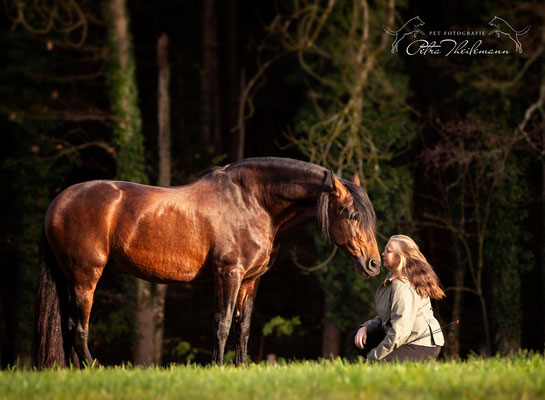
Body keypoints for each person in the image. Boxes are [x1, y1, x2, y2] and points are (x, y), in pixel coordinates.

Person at [352, 235, 445, 362]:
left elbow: (400, 331)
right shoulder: (392, 279)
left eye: (387, 251)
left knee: (379, 369)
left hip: (420, 344)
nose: (382, 254)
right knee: (357, 337)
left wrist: (373, 357)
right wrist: (365, 328)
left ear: (400, 257)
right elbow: (385, 316)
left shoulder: (403, 286)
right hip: (402, 336)